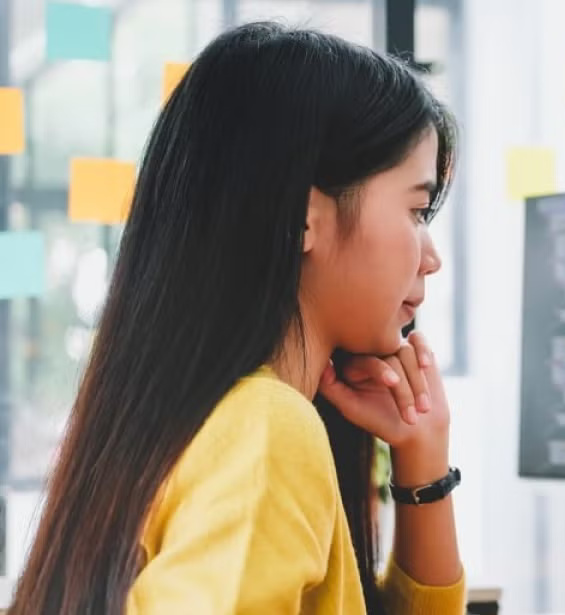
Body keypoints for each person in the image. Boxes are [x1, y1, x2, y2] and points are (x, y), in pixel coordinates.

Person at [10, 23, 464, 614]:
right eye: (417, 210)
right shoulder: (269, 428)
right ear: (303, 219)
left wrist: (424, 466)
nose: (432, 256)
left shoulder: (195, 417)